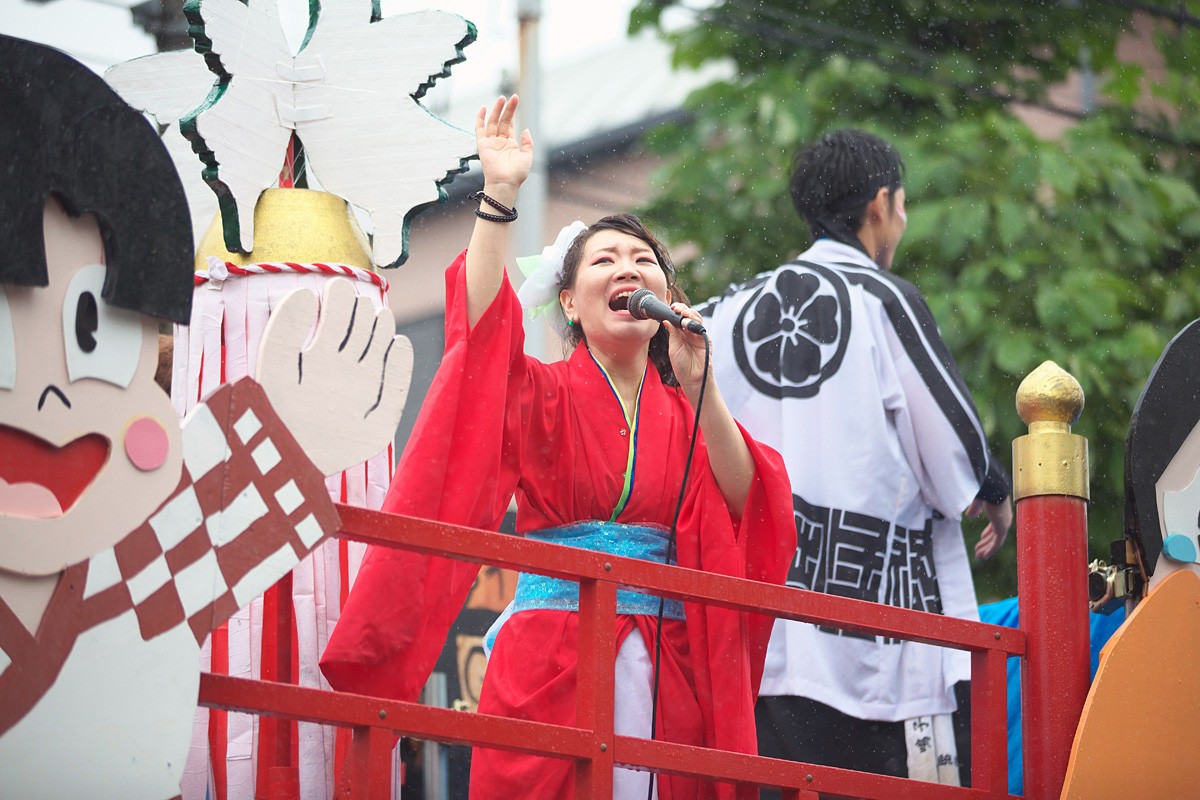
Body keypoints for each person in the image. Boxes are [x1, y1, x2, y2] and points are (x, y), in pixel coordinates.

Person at [320, 96, 796, 799]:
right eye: (605, 259)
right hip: (552, 653)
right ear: (570, 301)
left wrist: (703, 390)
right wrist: (500, 195)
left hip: (667, 663)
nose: (628, 268)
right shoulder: (539, 391)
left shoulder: (686, 407)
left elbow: (750, 501)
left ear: (667, 293)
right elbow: (478, 333)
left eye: (644, 259)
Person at [697, 129, 1013, 794]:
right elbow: (952, 446)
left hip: (762, 631)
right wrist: (994, 486)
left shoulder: (723, 312)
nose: (901, 219)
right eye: (901, 205)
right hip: (879, 637)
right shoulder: (884, 299)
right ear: (880, 204)